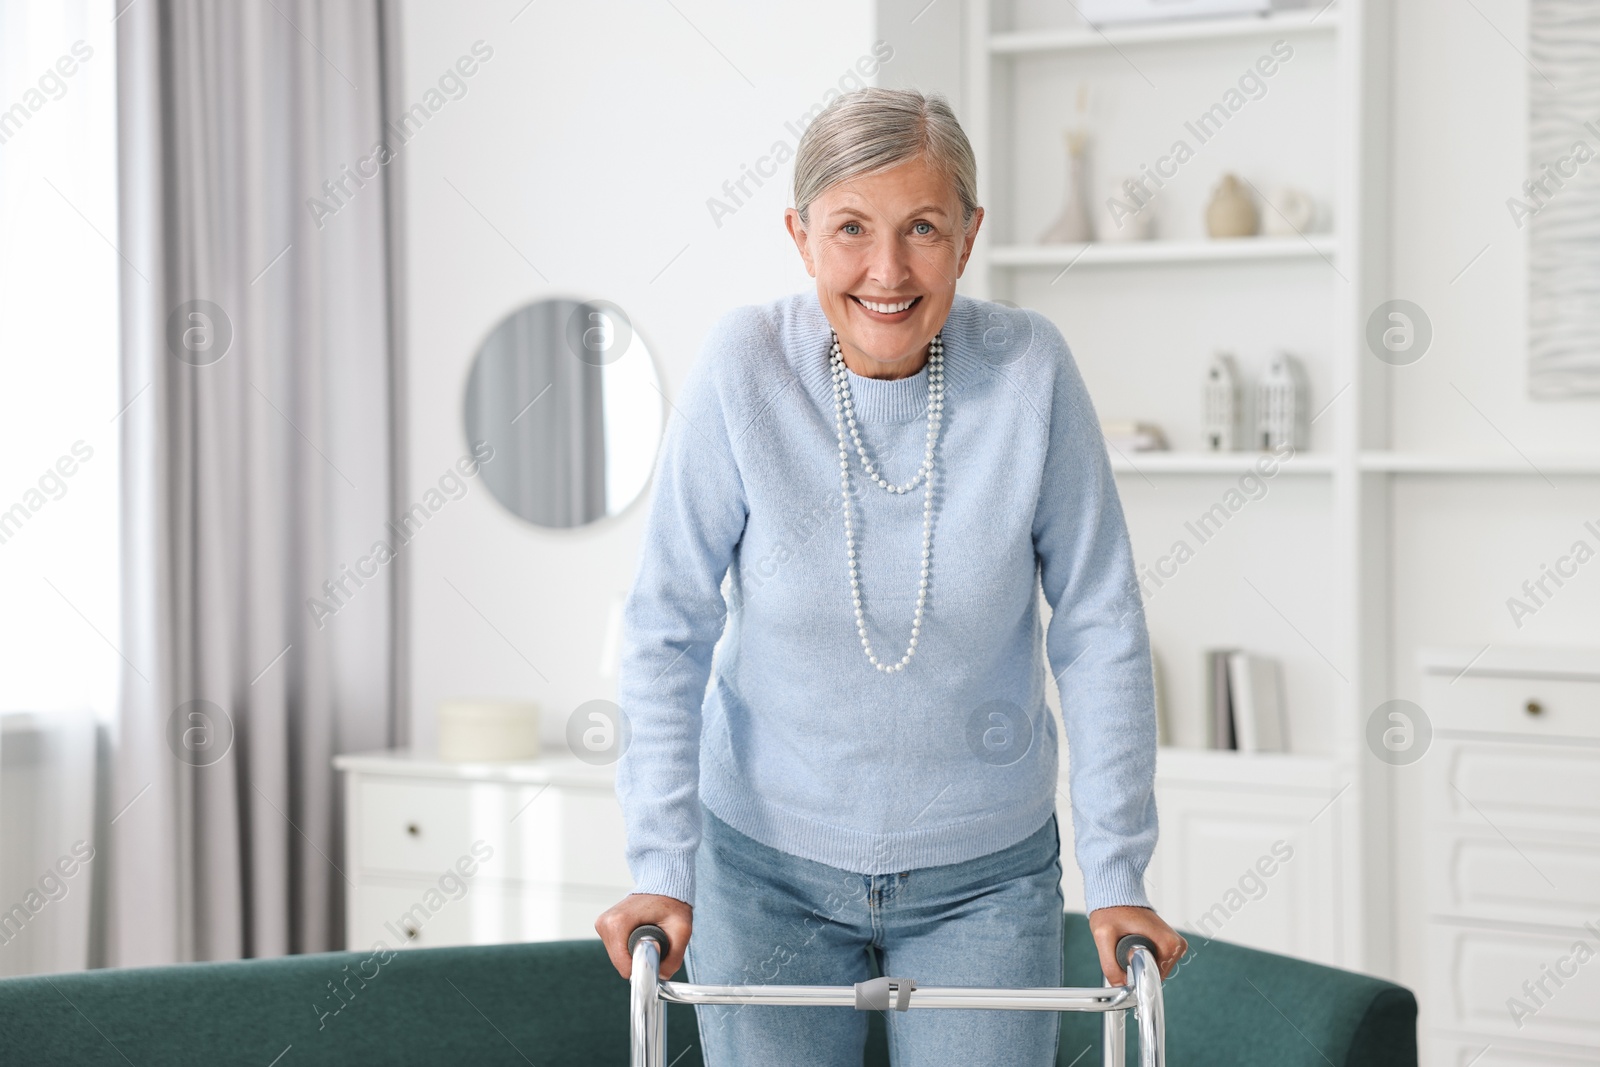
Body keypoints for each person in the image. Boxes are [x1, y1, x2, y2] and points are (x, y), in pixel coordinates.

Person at [596, 86, 1186, 1066]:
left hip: (985, 876)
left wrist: (1117, 866)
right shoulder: (744, 367)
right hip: (763, 866)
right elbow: (666, 621)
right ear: (799, 234)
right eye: (851, 229)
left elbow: (1100, 620)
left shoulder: (1031, 370)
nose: (887, 269)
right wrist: (662, 863)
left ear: (968, 235)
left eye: (922, 227)